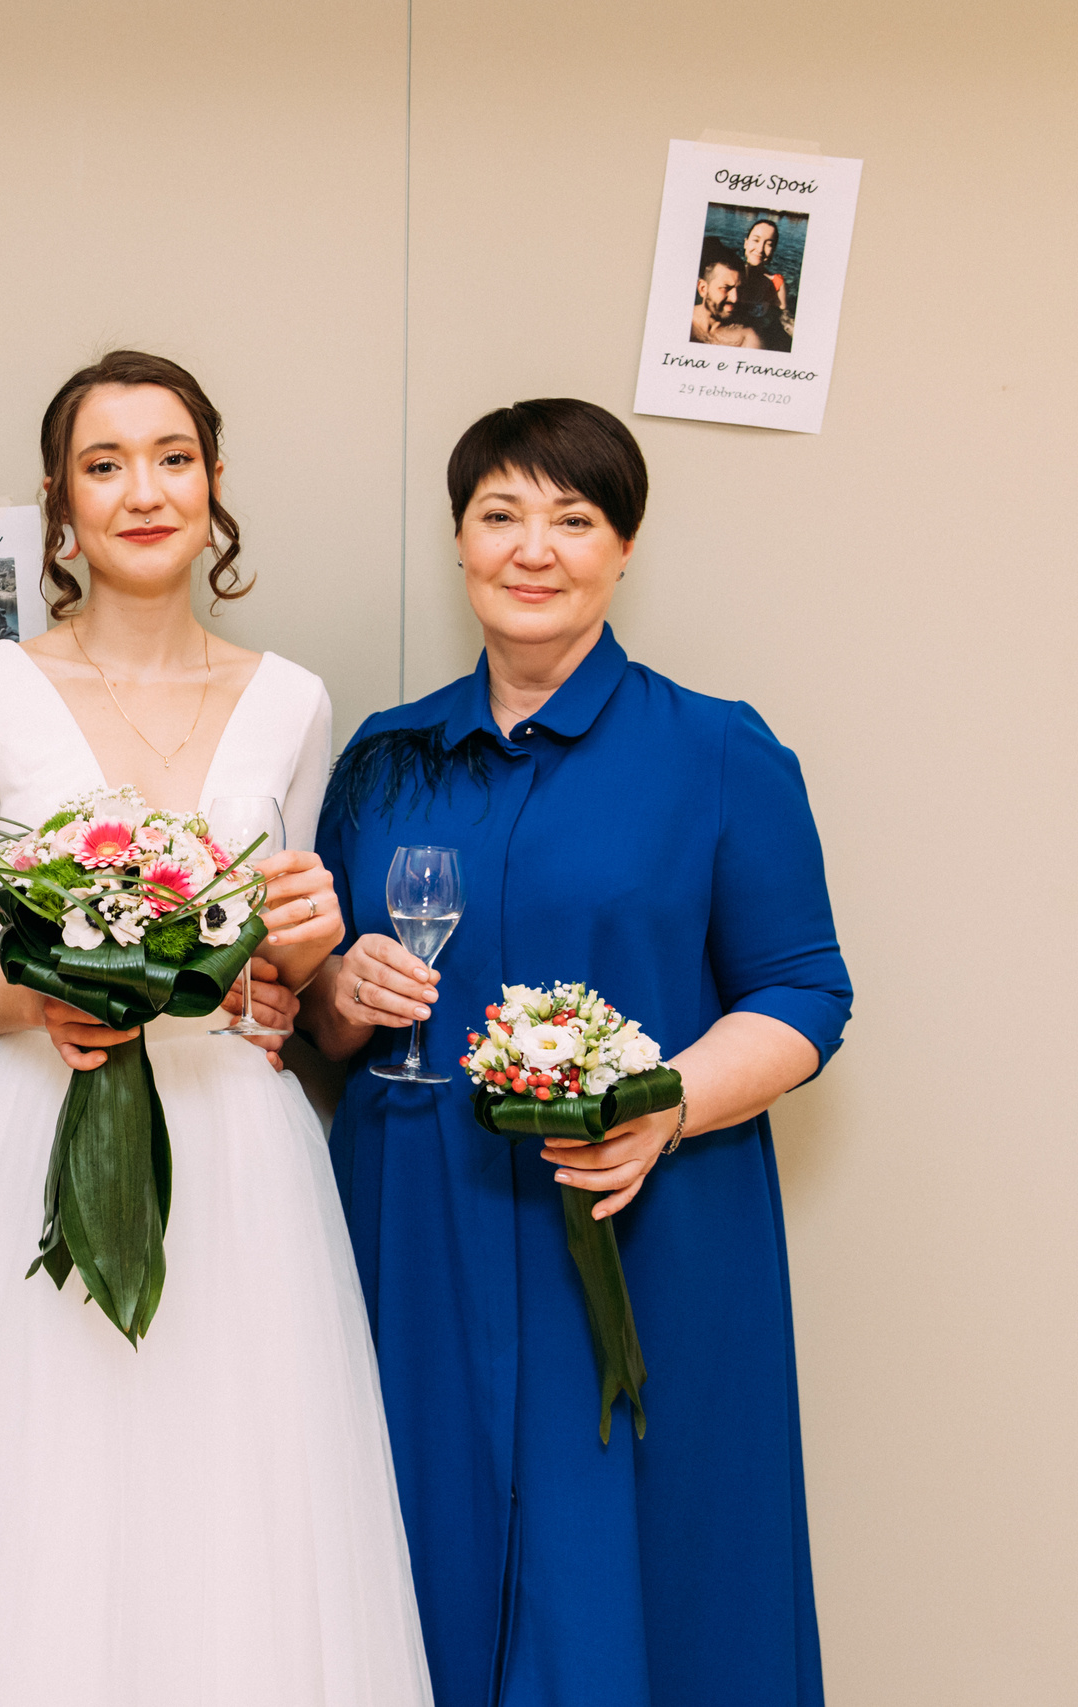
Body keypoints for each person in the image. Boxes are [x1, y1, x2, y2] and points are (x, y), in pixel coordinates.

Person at [0, 351, 432, 1704]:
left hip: (235, 1151)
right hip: (31, 1126)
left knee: (232, 1519)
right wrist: (33, 998)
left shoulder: (294, 701)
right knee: (27, 1518)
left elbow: (288, 979)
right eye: (106, 463)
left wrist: (306, 947)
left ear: (213, 489)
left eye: (174, 457)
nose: (146, 489)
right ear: (59, 508)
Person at [298, 399, 850, 1707]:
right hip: (415, 1223)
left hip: (639, 1219)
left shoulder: (716, 749)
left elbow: (802, 991)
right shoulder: (386, 758)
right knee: (412, 1542)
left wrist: (663, 1106)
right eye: (501, 514)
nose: (532, 547)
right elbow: (312, 1017)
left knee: (639, 1574)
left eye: (573, 517)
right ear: (458, 539)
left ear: (623, 546)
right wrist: (337, 986)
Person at [734, 218, 795, 350]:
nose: (760, 249)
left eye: (769, 244)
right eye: (756, 240)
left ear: (773, 250)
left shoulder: (776, 283)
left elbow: (784, 319)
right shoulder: (728, 276)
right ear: (746, 243)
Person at [688, 248, 764, 347]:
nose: (735, 298)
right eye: (725, 288)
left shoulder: (747, 337)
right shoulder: (682, 320)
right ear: (703, 288)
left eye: (740, 289)